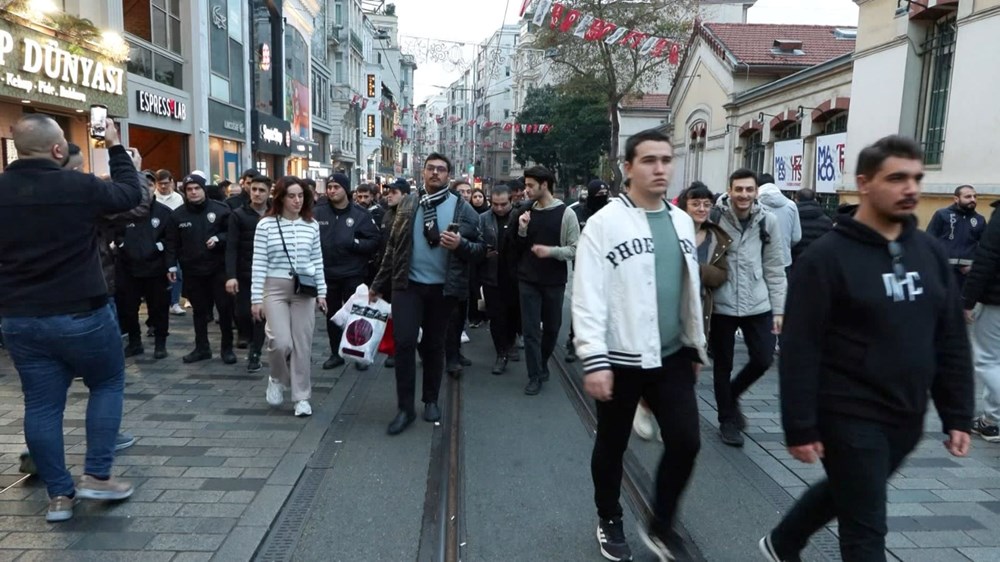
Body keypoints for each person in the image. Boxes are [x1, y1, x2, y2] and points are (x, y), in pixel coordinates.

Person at [759, 135, 973, 562]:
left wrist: (957, 412)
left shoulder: (928, 252)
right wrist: (799, 424)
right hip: (848, 413)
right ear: (864, 183)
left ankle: (783, 541)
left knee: (851, 491)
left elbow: (949, 336)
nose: (910, 188)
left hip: (906, 413)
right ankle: (786, 543)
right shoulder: (826, 258)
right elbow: (800, 348)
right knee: (866, 524)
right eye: (896, 178)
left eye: (916, 177)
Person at [574, 129, 708, 561]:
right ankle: (608, 515)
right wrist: (594, 359)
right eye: (649, 160)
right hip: (619, 355)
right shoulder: (604, 224)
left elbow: (686, 289)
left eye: (666, 160)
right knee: (612, 442)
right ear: (628, 168)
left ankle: (661, 524)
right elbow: (588, 294)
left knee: (686, 440)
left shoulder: (682, 220)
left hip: (670, 354)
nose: (660, 168)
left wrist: (694, 345)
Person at [0, 114, 140, 522]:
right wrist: (114, 144)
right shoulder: (79, 186)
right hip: (82, 310)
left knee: (41, 405)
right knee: (107, 382)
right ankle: (97, 474)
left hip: (21, 317)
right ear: (58, 150)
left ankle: (60, 497)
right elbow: (130, 193)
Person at [371, 153, 485, 435]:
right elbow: (394, 247)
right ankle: (405, 408)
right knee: (405, 342)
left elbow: (482, 249)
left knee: (434, 345)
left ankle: (431, 399)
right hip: (407, 286)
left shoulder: (462, 208)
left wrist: (460, 244)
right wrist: (377, 284)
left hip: (443, 289)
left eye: (441, 169)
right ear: (423, 173)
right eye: (431, 169)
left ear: (449, 174)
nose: (435, 173)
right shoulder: (409, 203)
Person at [634, 181, 733, 442]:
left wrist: (695, 268)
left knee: (691, 369)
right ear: (685, 205)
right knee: (660, 365)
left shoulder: (716, 238)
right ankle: (645, 406)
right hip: (666, 307)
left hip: (699, 311)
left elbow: (721, 275)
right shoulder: (670, 230)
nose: (702, 209)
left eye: (706, 204)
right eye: (696, 203)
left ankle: (670, 420)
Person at [710, 169, 786, 447]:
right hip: (723, 302)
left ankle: (731, 394)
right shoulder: (714, 218)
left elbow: (775, 268)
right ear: (729, 190)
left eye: (749, 190)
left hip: (758, 302)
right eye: (738, 189)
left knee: (764, 358)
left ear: (756, 192)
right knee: (723, 364)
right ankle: (727, 420)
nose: (744, 195)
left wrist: (779, 311)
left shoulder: (768, 221)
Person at [251, 176, 328, 417]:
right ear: (281, 198)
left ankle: (301, 397)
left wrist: (322, 292)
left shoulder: (311, 225)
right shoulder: (265, 225)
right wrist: (255, 298)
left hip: (304, 289)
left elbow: (317, 260)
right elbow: (258, 263)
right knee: (280, 341)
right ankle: (276, 377)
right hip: (273, 287)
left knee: (303, 345)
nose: (297, 200)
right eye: (291, 195)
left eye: (301, 196)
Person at [507, 165, 580, 395]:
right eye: (525, 185)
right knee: (530, 330)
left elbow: (575, 249)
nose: (525, 190)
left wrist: (550, 252)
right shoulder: (525, 212)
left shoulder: (566, 214)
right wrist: (521, 230)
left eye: (530, 186)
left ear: (544, 185)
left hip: (554, 281)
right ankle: (534, 375)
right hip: (527, 279)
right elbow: (517, 248)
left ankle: (542, 362)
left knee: (552, 328)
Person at [164, 174, 236, 364]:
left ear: (204, 189)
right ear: (185, 192)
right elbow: (171, 243)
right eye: (189, 189)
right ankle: (202, 348)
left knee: (224, 309)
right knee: (199, 312)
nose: (193, 192)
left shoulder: (221, 210)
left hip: (218, 270)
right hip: (193, 271)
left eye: (197, 188)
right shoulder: (177, 215)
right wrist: (171, 265)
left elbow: (232, 235)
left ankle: (227, 348)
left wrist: (218, 239)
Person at [314, 172, 380, 371]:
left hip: (353, 273)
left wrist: (355, 243)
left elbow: (374, 241)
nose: (332, 191)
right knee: (332, 316)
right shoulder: (318, 212)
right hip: (328, 274)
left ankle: (360, 354)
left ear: (346, 190)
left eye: (336, 187)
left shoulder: (361, 215)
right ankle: (336, 354)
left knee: (357, 316)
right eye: (330, 187)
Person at [962, 198, 1000, 442]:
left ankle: (994, 421)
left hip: (997, 301)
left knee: (987, 359)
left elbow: (986, 258)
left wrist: (967, 300)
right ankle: (991, 417)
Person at [226, 175, 271, 372]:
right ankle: (250, 338)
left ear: (269, 192)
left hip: (270, 274)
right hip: (245, 273)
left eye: (261, 190)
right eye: (254, 189)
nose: (257, 194)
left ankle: (255, 352)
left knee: (261, 315)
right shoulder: (238, 215)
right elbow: (231, 247)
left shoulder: (275, 214)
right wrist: (231, 275)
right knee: (243, 313)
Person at [566, 179, 610, 363]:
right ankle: (574, 340)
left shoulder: (612, 213)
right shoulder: (578, 213)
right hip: (584, 266)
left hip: (608, 266)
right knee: (582, 303)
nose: (602, 198)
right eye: (598, 196)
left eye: (604, 195)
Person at [479, 184, 518, 375]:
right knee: (496, 317)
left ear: (511, 201)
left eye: (503, 204)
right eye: (495, 204)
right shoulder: (484, 219)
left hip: (515, 276)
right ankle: (500, 353)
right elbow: (476, 244)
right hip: (491, 276)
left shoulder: (519, 217)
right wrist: (483, 253)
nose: (499, 208)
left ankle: (510, 343)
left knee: (512, 315)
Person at [926, 184, 985, 289]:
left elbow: (985, 247)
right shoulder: (942, 214)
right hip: (943, 271)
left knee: (961, 304)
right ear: (956, 199)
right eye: (968, 196)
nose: (973, 199)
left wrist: (974, 267)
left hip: (966, 275)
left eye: (974, 196)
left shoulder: (980, 220)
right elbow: (929, 241)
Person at [757, 173, 801, 270]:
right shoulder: (791, 205)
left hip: (758, 260)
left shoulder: (754, 203)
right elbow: (796, 237)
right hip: (784, 259)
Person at [792, 188, 833, 264]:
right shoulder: (826, 221)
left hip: (795, 261)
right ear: (814, 199)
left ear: (796, 200)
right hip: (818, 262)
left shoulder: (792, 219)